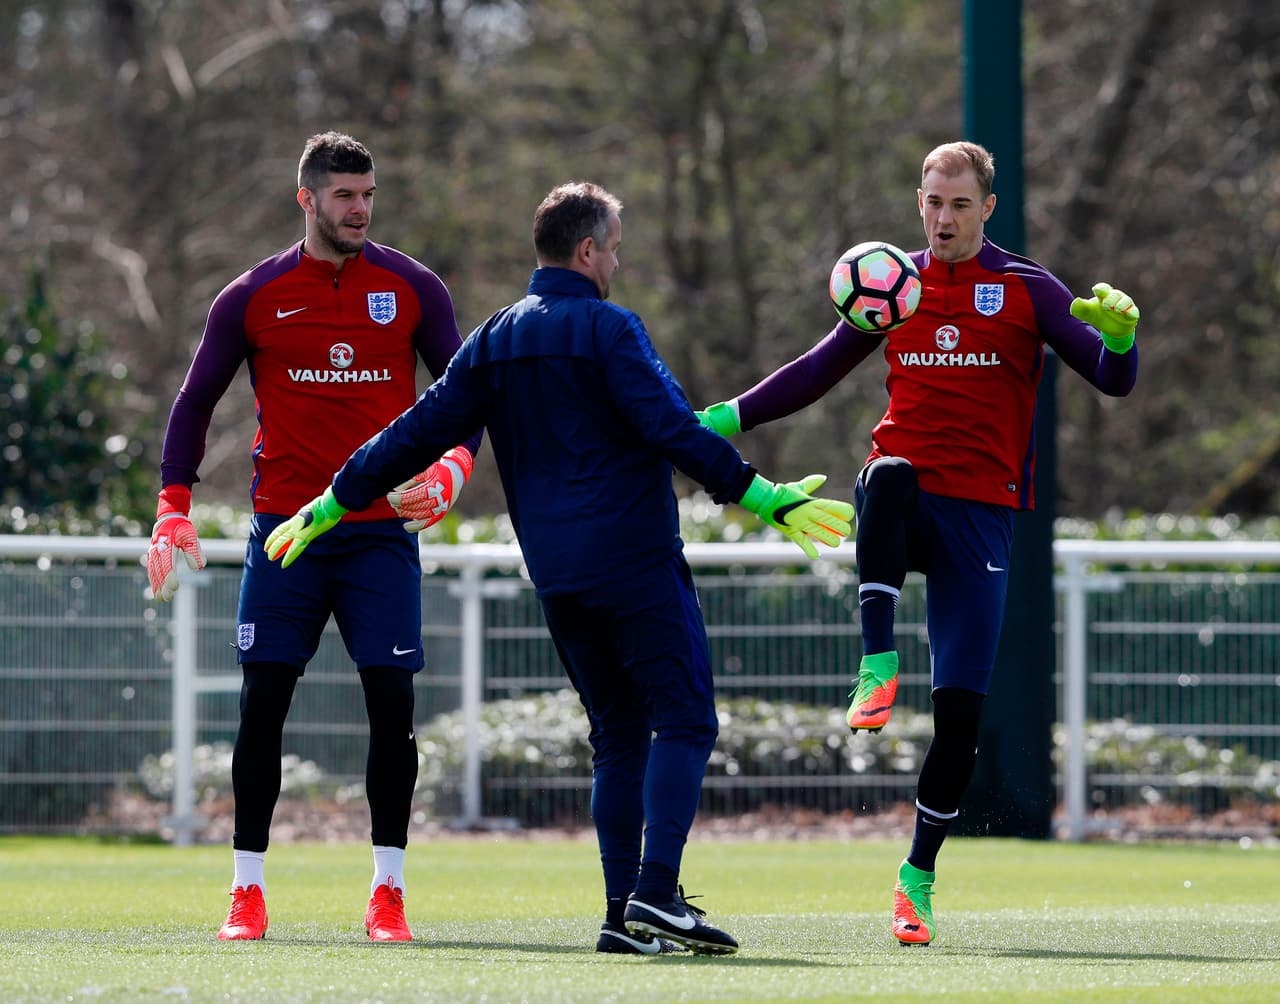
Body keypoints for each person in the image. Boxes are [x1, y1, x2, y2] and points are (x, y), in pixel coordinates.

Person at [258, 181, 855, 956]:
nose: (618, 258)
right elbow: (671, 429)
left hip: (558, 576)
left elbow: (415, 430)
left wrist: (334, 500)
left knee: (616, 735)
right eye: (613, 246)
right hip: (634, 561)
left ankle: (623, 918)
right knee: (684, 718)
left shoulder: (495, 337)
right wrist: (764, 496)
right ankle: (657, 895)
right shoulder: (611, 329)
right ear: (586, 251)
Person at [695, 141, 1140, 945]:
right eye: (931, 202)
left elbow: (1113, 382)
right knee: (886, 473)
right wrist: (725, 417)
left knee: (961, 721)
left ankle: (916, 880)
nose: (941, 217)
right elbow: (816, 370)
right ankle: (876, 663)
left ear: (988, 208)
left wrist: (1120, 340)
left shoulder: (1028, 288)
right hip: (907, 501)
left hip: (984, 518)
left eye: (958, 204)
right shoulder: (891, 281)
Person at [145, 131, 481, 943]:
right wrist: (172, 505)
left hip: (379, 540)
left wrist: (451, 472)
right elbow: (194, 404)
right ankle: (246, 891)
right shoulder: (251, 296)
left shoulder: (412, 288)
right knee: (263, 706)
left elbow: (472, 394)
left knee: (391, 708)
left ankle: (389, 891)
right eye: (343, 196)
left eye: (367, 195)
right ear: (307, 199)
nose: (359, 209)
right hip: (286, 536)